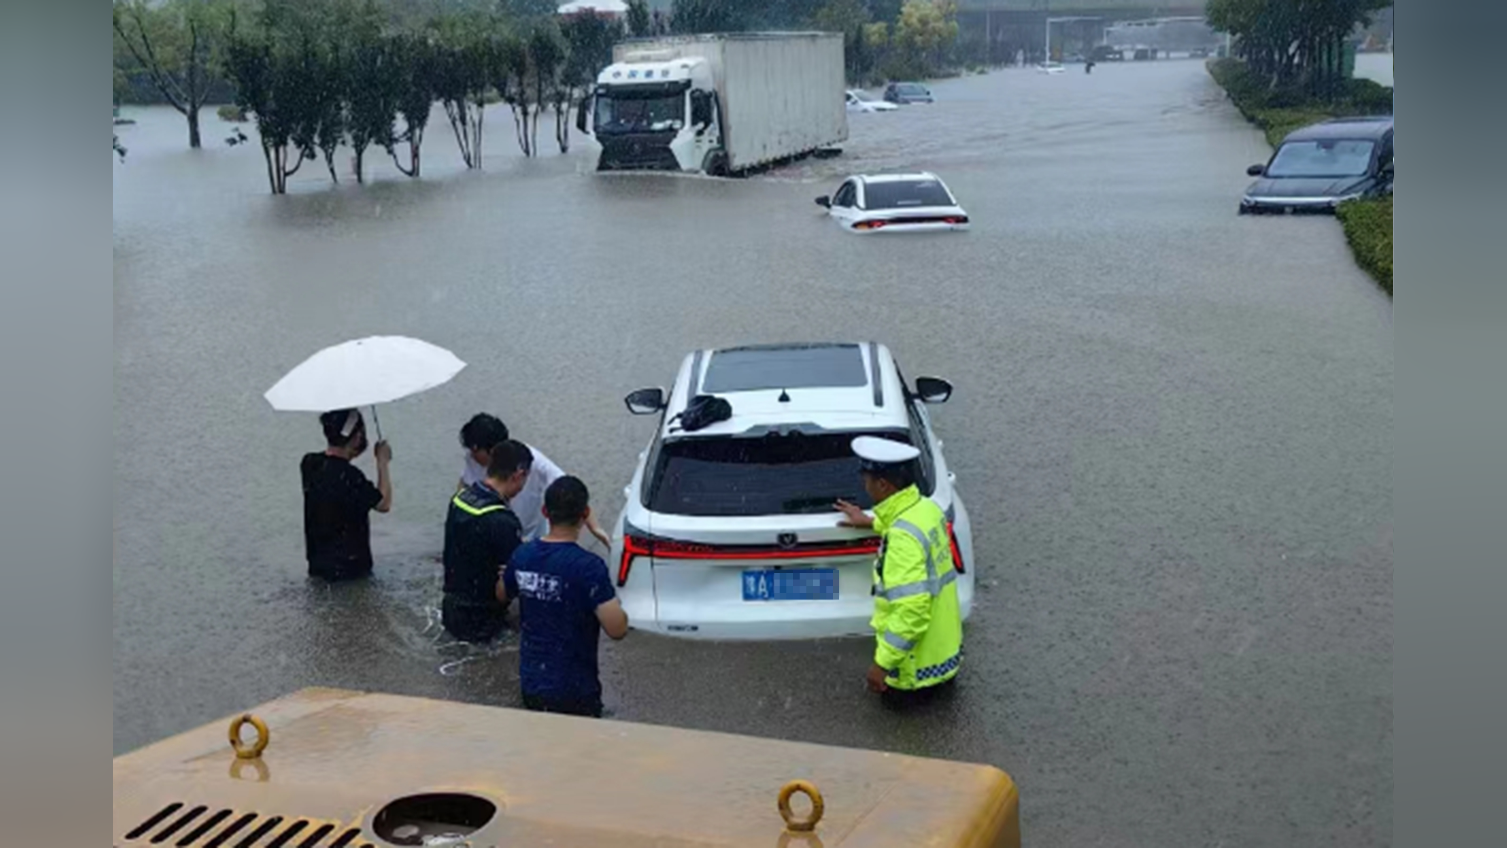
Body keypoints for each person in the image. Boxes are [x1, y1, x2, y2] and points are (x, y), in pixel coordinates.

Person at [836, 436, 963, 703]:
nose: (864, 484)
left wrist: (882, 665)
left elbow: (911, 610)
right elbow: (907, 529)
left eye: (867, 479)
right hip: (943, 656)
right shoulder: (926, 509)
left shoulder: (902, 538)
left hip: (912, 675)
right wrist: (870, 523)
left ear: (883, 484)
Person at [498, 476, 628, 718]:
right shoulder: (589, 567)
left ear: (545, 511)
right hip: (576, 691)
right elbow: (617, 629)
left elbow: (501, 594)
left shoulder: (523, 556)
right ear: (585, 513)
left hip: (533, 686)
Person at [457, 413, 611, 548]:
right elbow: (464, 484)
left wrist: (595, 527)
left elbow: (568, 488)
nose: (471, 454)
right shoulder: (474, 459)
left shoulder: (531, 460)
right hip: (492, 530)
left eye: (475, 450)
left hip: (529, 531)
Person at [441, 440, 533, 643]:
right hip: (483, 622)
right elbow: (510, 588)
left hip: (451, 609)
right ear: (519, 475)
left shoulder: (460, 498)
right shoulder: (503, 521)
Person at [302, 409, 391, 581]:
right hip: (351, 571)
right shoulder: (351, 477)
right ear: (357, 437)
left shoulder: (309, 464)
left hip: (318, 566)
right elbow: (384, 504)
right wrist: (382, 462)